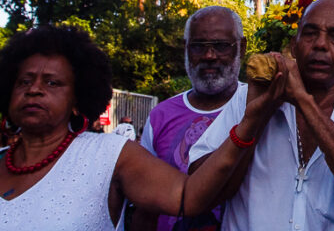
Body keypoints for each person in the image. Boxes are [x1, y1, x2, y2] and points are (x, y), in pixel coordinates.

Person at [0, 25, 291, 229]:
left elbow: (189, 197)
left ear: (78, 99)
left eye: (52, 83)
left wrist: (250, 122)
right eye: (24, 81)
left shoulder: (108, 154)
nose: (34, 90)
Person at [189, 0, 334, 230]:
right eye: (310, 34)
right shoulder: (246, 99)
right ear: (294, 46)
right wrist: (255, 119)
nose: (320, 44)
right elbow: (200, 188)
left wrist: (303, 101)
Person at [133, 6, 247, 231]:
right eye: (198, 46)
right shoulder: (160, 115)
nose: (209, 56)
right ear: (186, 50)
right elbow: (146, 205)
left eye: (221, 46)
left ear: (241, 48)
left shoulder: (258, 107)